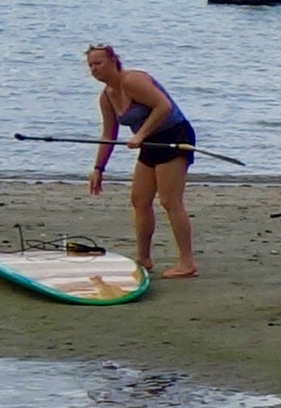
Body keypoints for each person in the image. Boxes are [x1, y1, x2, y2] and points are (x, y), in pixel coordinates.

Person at [82, 42, 199, 280]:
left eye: (98, 63)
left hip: (174, 136)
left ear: (113, 61)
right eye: (90, 65)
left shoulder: (132, 80)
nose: (94, 69)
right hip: (149, 142)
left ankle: (187, 262)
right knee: (139, 199)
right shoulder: (107, 97)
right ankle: (143, 258)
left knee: (170, 201)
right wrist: (98, 168)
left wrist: (141, 134)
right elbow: (108, 134)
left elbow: (164, 106)